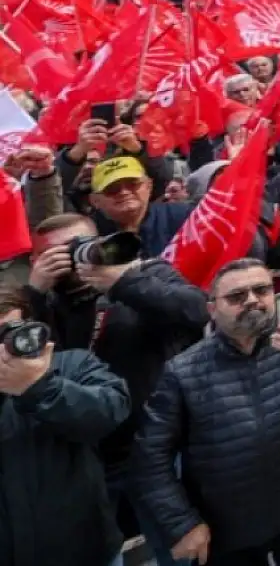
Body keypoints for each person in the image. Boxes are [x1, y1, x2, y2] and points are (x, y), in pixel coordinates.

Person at [132, 258, 280, 566]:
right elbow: (151, 455)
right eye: (237, 296)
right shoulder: (182, 371)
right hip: (229, 530)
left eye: (261, 290)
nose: (252, 300)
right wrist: (181, 524)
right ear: (212, 310)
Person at [27, 213, 208, 566]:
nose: (74, 257)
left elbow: (196, 310)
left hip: (154, 448)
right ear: (37, 260)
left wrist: (121, 283)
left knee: (180, 551)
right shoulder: (44, 302)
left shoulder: (143, 275)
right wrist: (35, 293)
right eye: (58, 253)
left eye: (80, 245)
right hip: (87, 453)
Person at [0, 282, 132, 566]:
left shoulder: (71, 365)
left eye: (10, 333)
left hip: (85, 550)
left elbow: (110, 411)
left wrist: (39, 388)